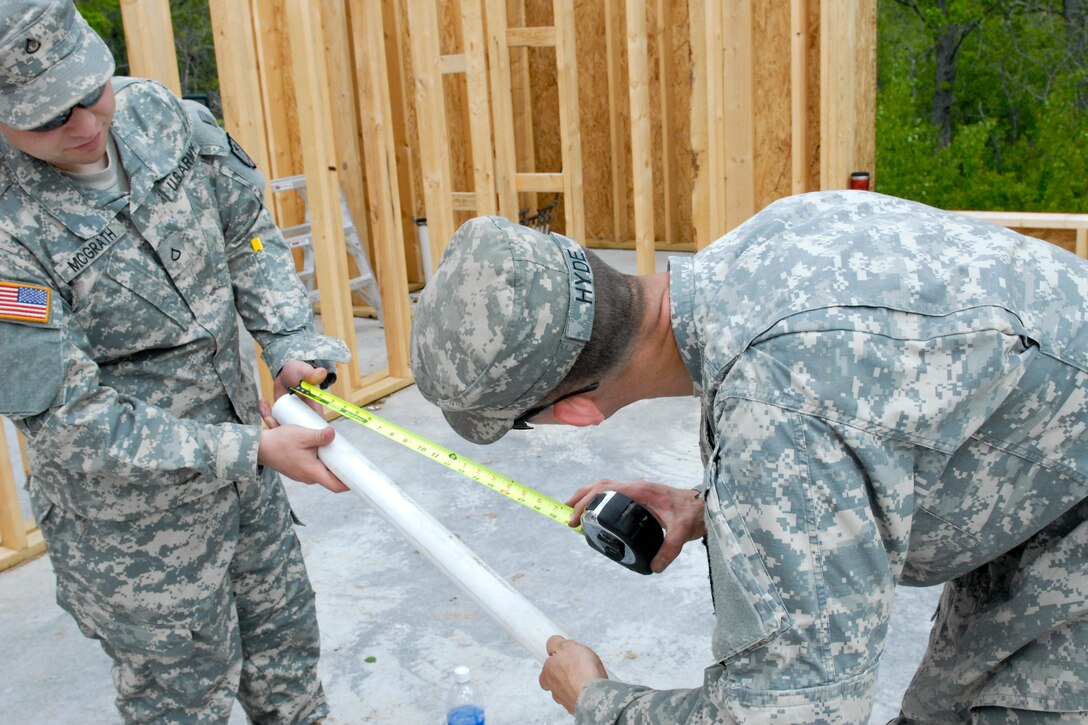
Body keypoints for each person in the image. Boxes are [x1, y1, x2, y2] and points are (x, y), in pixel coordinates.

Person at [409, 196, 1088, 723]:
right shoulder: (765, 244)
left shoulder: (778, 403)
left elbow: (793, 710)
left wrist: (597, 700)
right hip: (1042, 454)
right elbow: (870, 408)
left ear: (573, 412)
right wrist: (710, 503)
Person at [0, 1, 352, 722]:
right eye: (50, 117)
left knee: (288, 666)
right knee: (181, 703)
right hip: (138, 539)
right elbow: (72, 420)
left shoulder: (157, 114)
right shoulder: (8, 232)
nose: (87, 125)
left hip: (249, 491)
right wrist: (250, 447)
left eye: (90, 91)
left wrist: (289, 340)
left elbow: (247, 234)